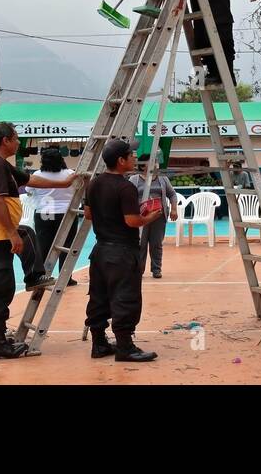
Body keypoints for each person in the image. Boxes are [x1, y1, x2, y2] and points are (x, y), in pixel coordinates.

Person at [0, 124, 80, 360]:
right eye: (17, 139)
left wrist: (63, 183)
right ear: (7, 140)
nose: (19, 143)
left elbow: (29, 180)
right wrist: (11, 233)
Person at [85, 140, 162, 362]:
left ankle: (98, 344)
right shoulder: (125, 187)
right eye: (131, 155)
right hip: (122, 252)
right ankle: (125, 347)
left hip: (100, 251)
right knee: (125, 298)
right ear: (120, 161)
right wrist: (150, 217)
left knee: (98, 298)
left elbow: (89, 214)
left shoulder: (94, 183)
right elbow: (131, 221)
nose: (134, 157)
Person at [31, 149, 79, 286]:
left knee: (43, 245)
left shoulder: (37, 174)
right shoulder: (70, 174)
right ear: (61, 160)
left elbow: (29, 191)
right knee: (67, 245)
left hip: (45, 212)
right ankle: (66, 278)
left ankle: (42, 276)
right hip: (66, 213)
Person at [130, 166, 178, 280]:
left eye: (156, 162)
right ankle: (139, 270)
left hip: (158, 216)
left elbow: (172, 194)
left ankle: (156, 269)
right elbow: (128, 196)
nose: (156, 165)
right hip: (141, 217)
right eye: (153, 162)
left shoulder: (163, 178)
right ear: (143, 165)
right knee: (140, 244)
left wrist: (174, 209)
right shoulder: (134, 179)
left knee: (156, 244)